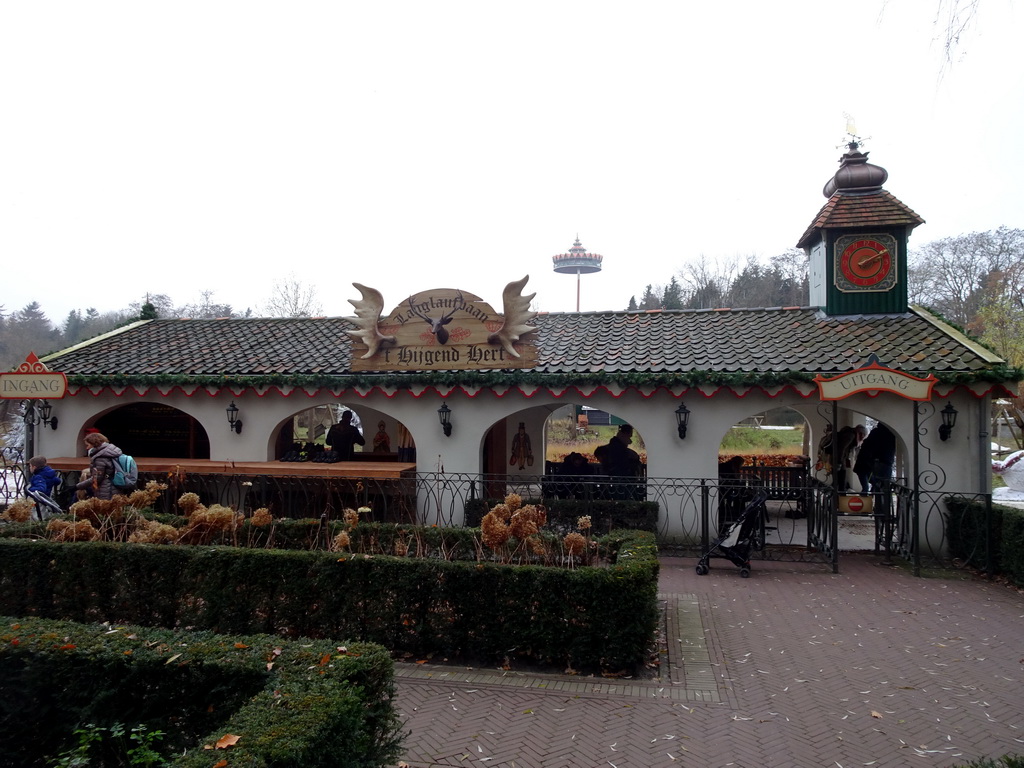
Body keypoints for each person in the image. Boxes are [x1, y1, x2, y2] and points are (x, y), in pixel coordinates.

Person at [73, 432, 124, 500]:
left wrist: (77, 487)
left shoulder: (100, 457)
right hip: (115, 487)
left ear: (94, 444)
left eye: (88, 445)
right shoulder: (110, 451)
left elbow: (97, 478)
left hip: (106, 489)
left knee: (105, 509)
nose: (87, 448)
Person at [855, 424, 896, 493]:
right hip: (887, 461)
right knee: (884, 486)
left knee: (877, 485)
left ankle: (876, 500)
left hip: (876, 461)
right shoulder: (892, 433)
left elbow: (868, 446)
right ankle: (883, 501)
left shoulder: (876, 432)